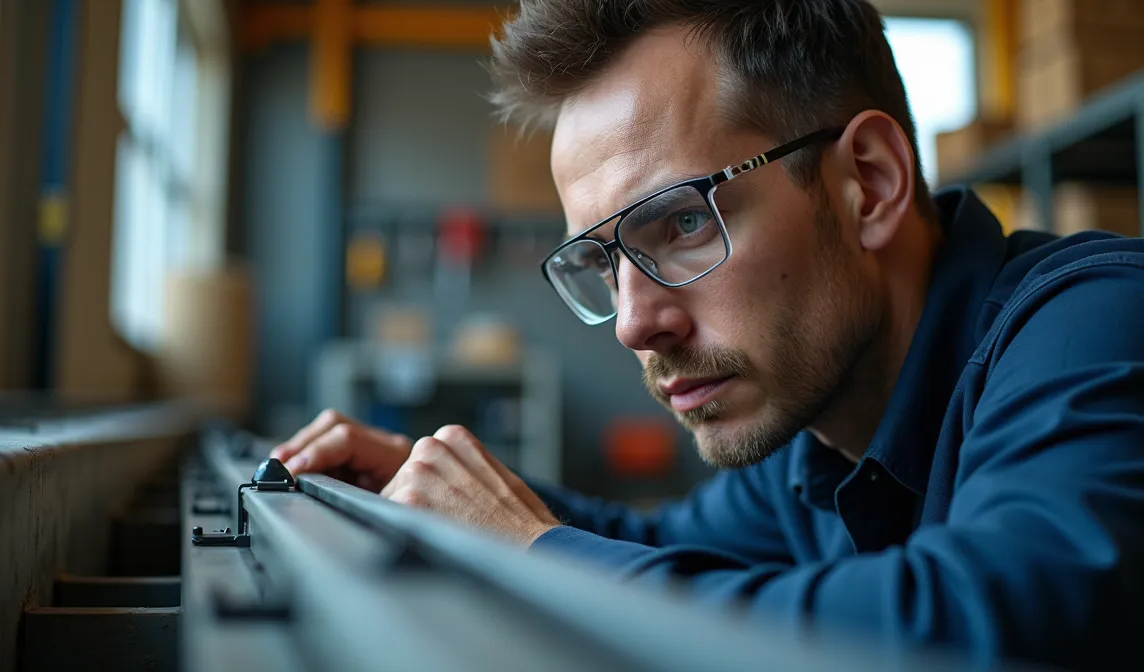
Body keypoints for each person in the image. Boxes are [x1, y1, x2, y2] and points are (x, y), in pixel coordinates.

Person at [271, 0, 1144, 667]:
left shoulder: (1093, 324)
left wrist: (532, 547)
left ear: (869, 184)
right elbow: (664, 548)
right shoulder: (818, 430)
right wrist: (449, 493)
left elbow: (1000, 622)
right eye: (605, 264)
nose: (633, 323)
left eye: (682, 225)